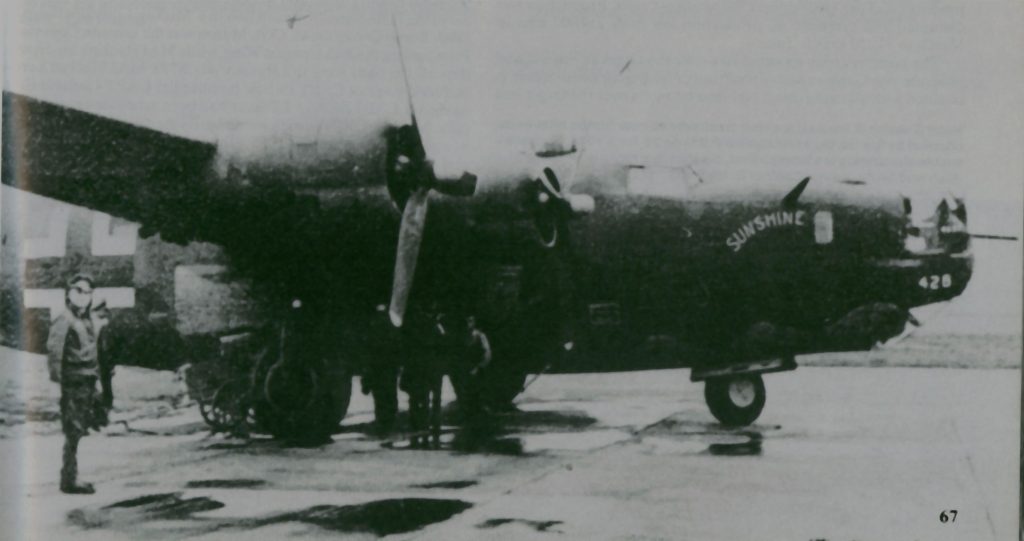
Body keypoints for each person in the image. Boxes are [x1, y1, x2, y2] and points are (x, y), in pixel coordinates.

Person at [46, 273, 112, 494]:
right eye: (79, 291)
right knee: (73, 431)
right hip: (73, 382)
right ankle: (69, 479)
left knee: (82, 427)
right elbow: (55, 353)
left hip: (88, 381)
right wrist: (57, 383)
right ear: (69, 294)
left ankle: (72, 476)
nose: (84, 296)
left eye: (88, 292)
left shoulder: (87, 320)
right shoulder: (65, 319)